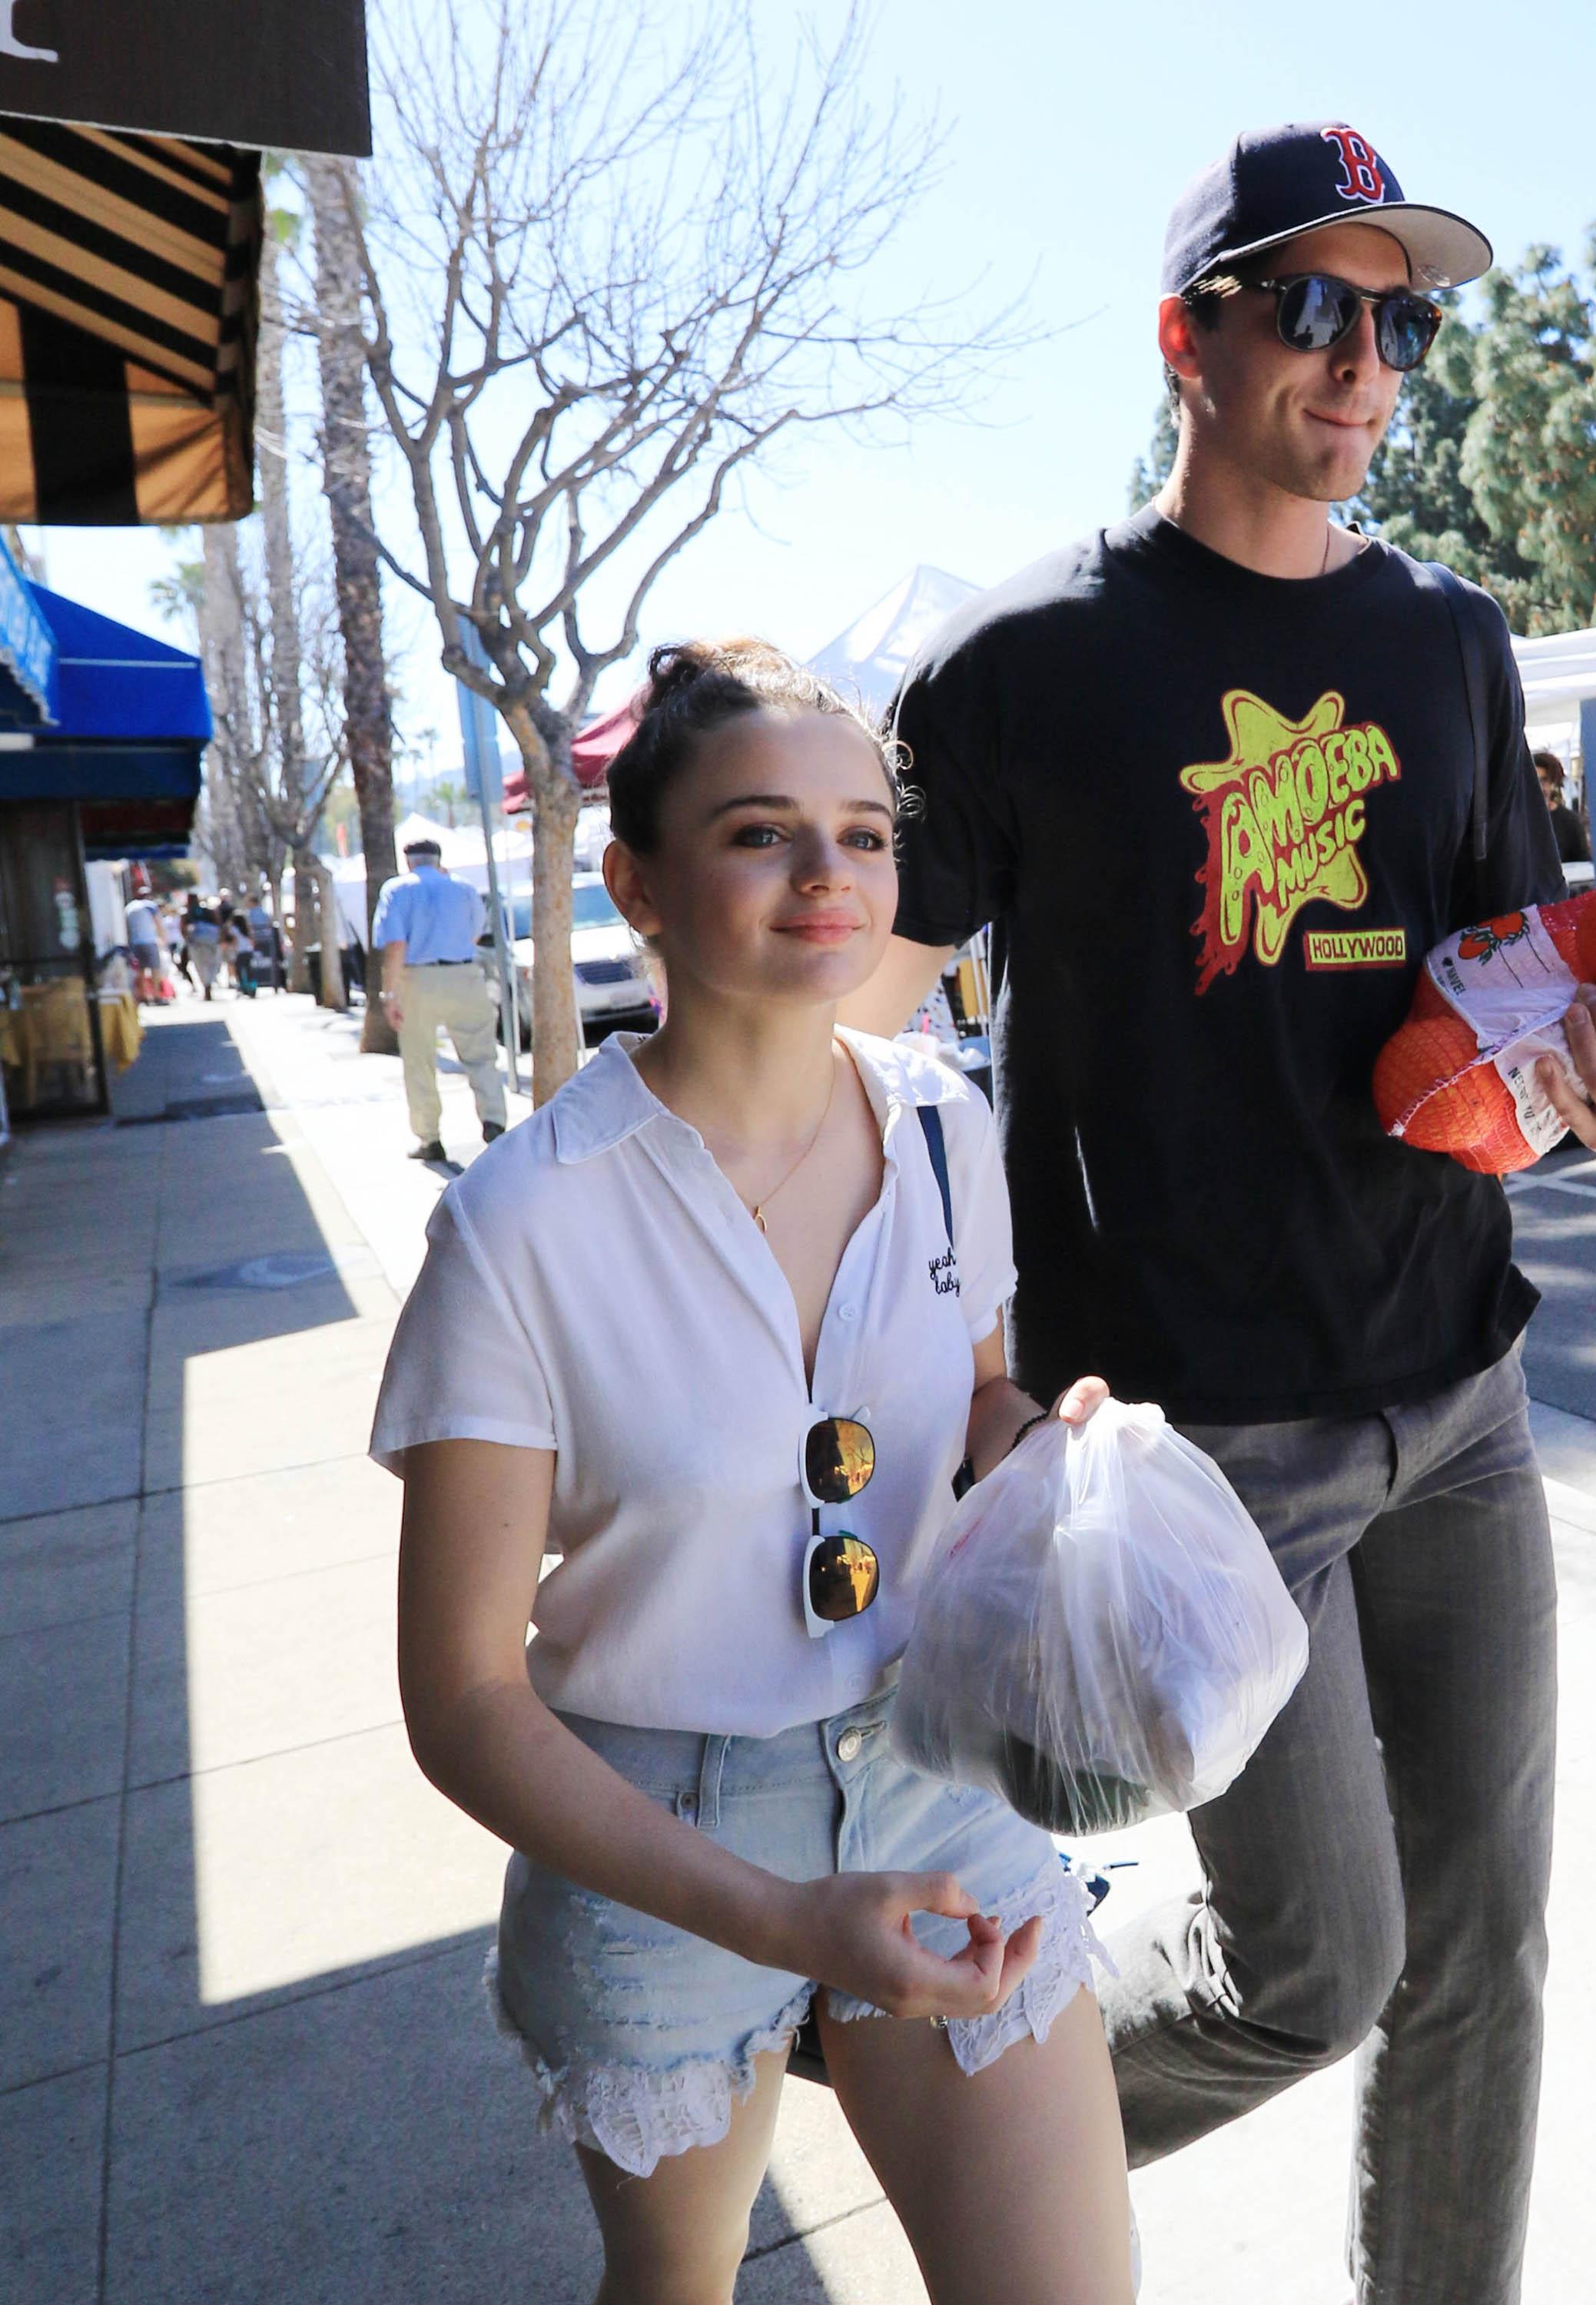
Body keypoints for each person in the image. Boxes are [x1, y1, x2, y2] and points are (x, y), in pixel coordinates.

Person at [842, 121, 1596, 2305]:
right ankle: (953, 2087)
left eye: (1406, 321)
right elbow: (857, 1055)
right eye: (1318, 307)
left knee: (1487, 1959)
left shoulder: (1450, 641)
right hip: (1196, 1453)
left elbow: (1498, 1011)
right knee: (1320, 1967)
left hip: (1460, 1395)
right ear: (1191, 337)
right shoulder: (1025, 670)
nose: (1368, 365)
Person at [371, 641, 1134, 2305]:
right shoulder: (520, 1223)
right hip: (654, 1824)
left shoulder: (944, 1123)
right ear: (634, 882)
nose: (829, 877)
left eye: (864, 835)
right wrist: (783, 1923)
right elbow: (462, 1700)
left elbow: (977, 1399)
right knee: (678, 2286)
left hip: (940, 1768)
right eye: (759, 834)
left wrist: (1040, 1456)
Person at [372, 835, 509, 1161]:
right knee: (481, 1055)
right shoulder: (463, 888)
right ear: (438, 859)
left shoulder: (396, 889)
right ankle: (494, 1121)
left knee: (419, 1061)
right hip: (465, 974)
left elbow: (395, 946)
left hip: (418, 978)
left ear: (409, 861)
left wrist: (389, 995)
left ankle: (429, 1138)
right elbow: (476, 932)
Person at [1533, 748, 1590, 863]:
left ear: (1553, 782)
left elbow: (1583, 864)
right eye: (1534, 781)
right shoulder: (1515, 820)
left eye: (1544, 780)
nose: (1539, 787)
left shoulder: (1570, 822)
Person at [124, 893, 164, 1003]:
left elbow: (126, 927)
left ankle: (143, 995)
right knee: (155, 969)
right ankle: (156, 996)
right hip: (149, 941)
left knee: (140, 970)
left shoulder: (129, 907)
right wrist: (163, 939)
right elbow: (159, 924)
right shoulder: (150, 905)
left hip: (134, 942)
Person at [181, 892, 221, 998]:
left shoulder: (187, 913)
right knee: (212, 964)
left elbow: (183, 929)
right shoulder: (208, 910)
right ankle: (208, 985)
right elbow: (218, 923)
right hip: (211, 941)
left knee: (200, 966)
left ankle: (206, 985)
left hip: (196, 943)